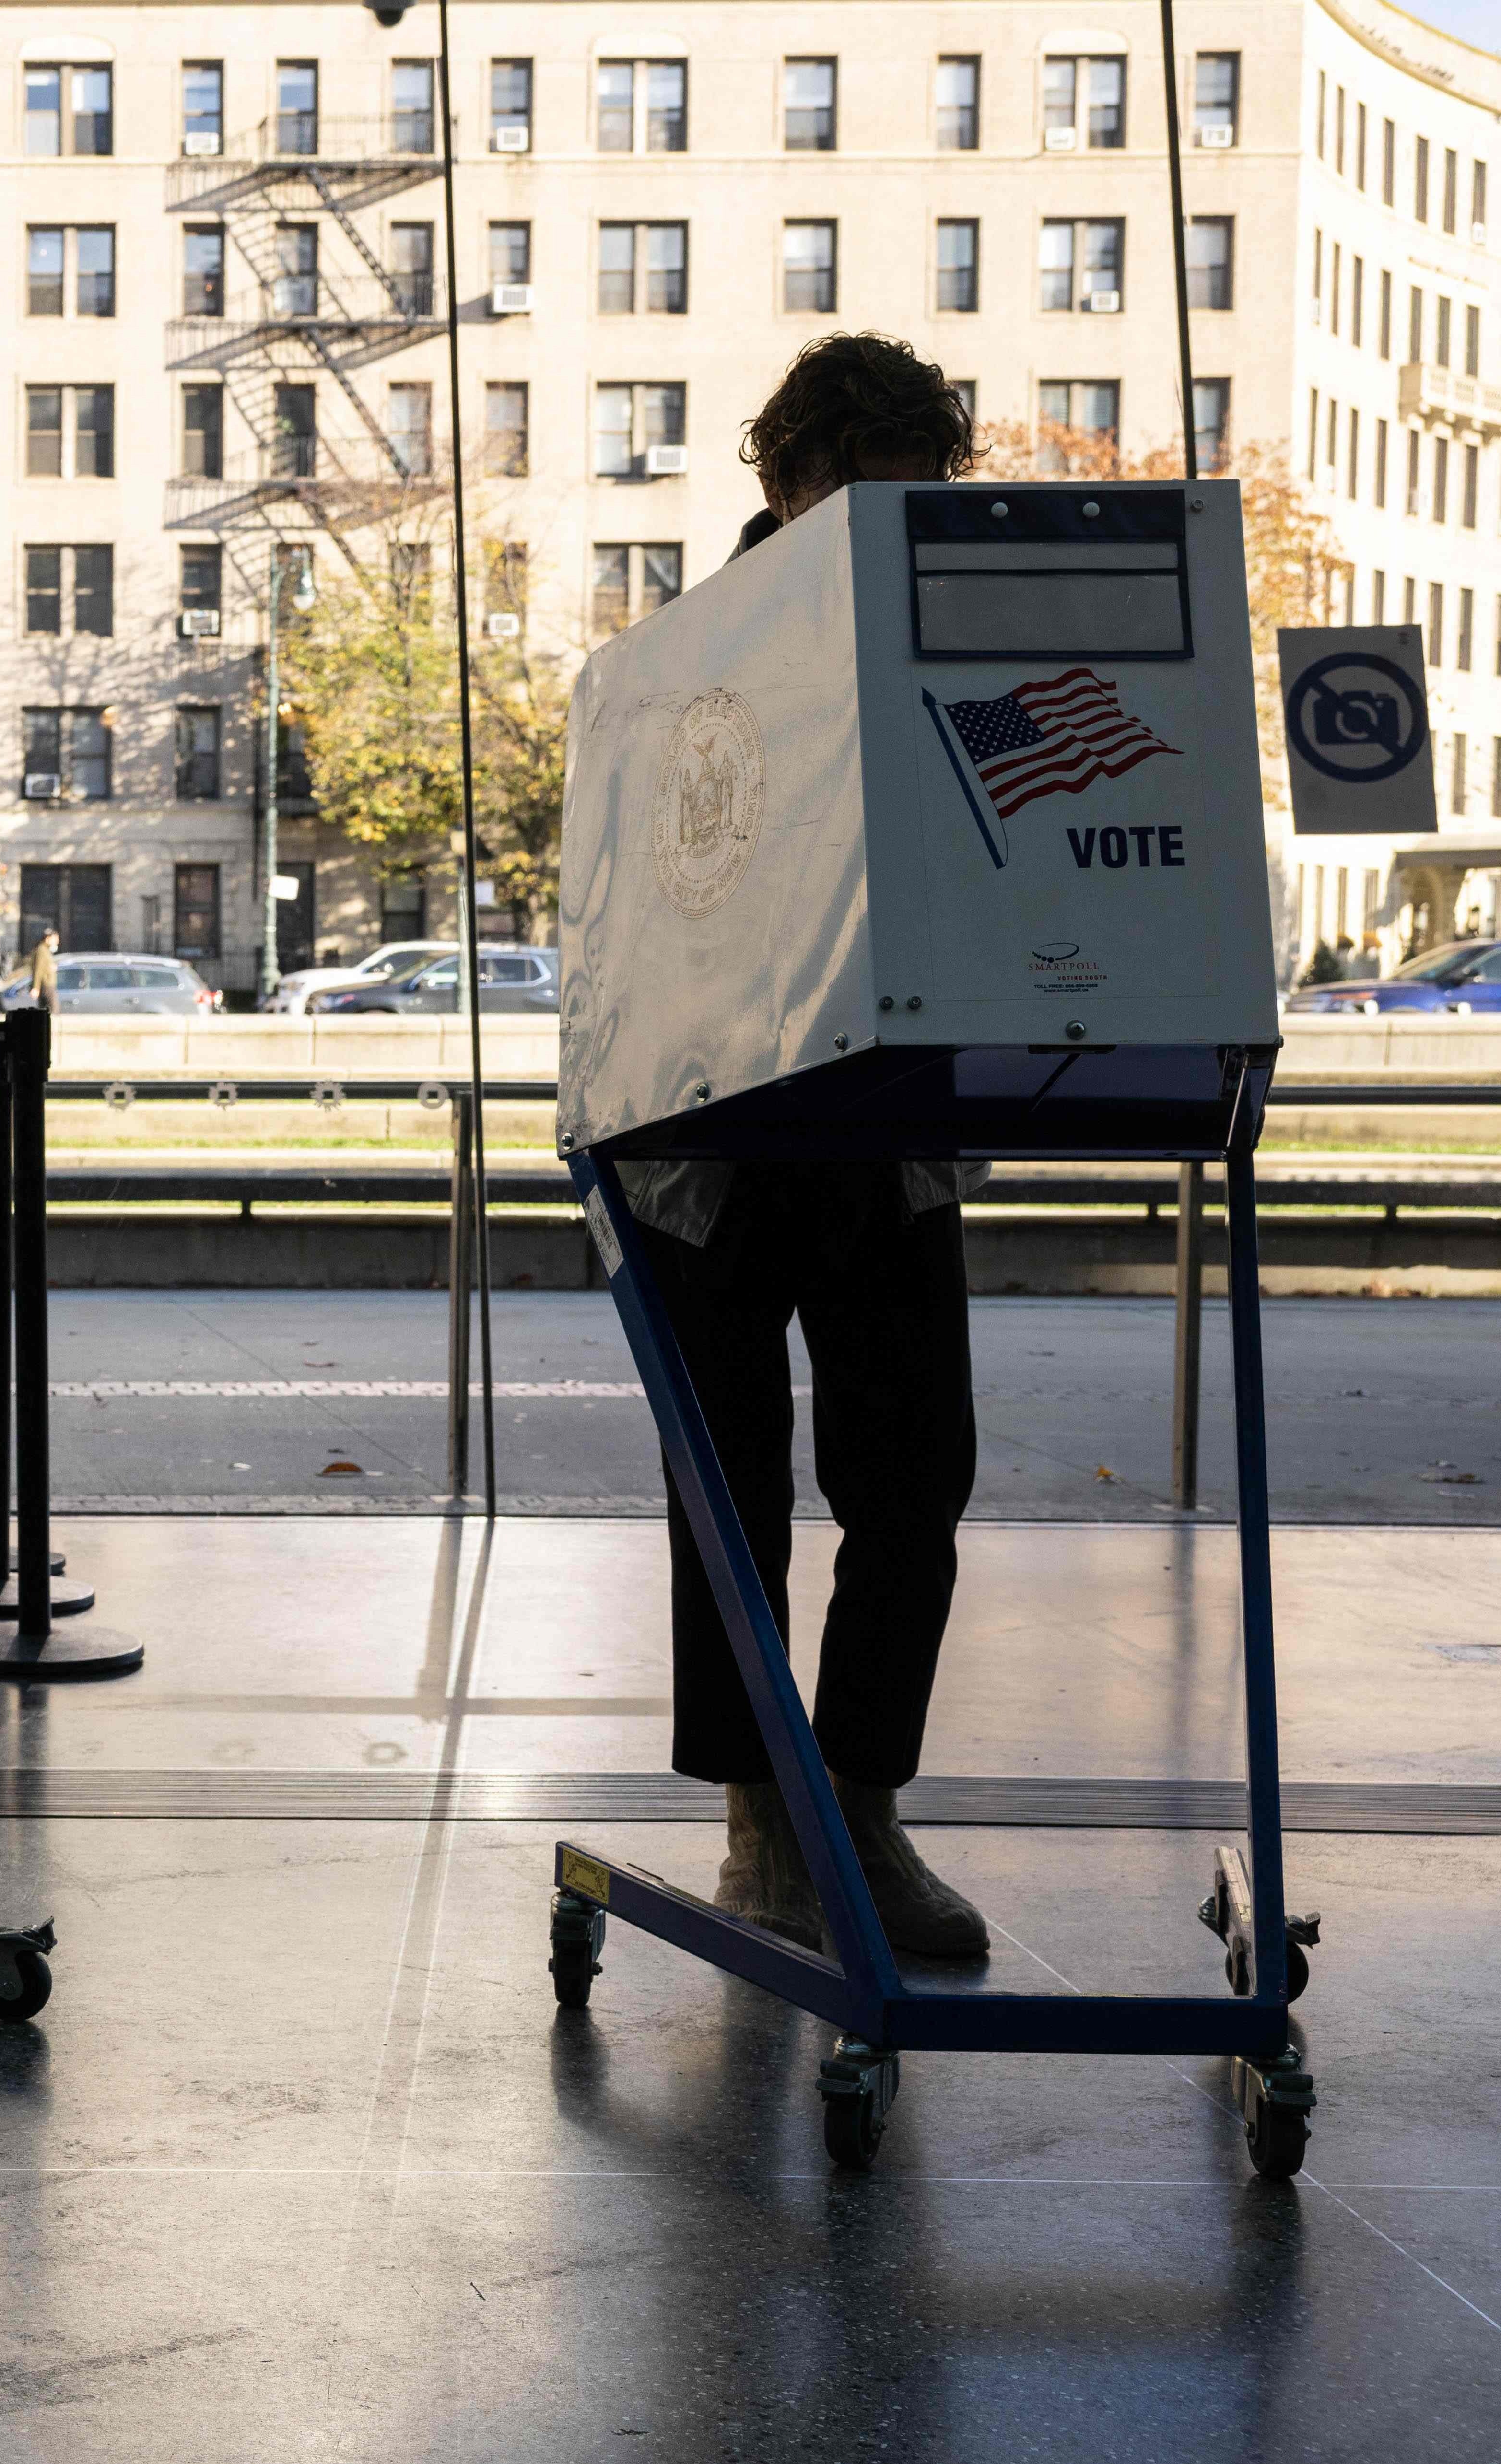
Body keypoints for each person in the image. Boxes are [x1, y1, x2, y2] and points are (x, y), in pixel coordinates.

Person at [621, 332, 991, 1960]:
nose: (887, 540)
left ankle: (862, 1806)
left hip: (886, 1123)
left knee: (914, 1473)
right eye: (865, 500)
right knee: (730, 1499)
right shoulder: (688, 657)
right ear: (783, 480)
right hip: (705, 1132)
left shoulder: (936, 645)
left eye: (916, 508)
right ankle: (761, 1823)